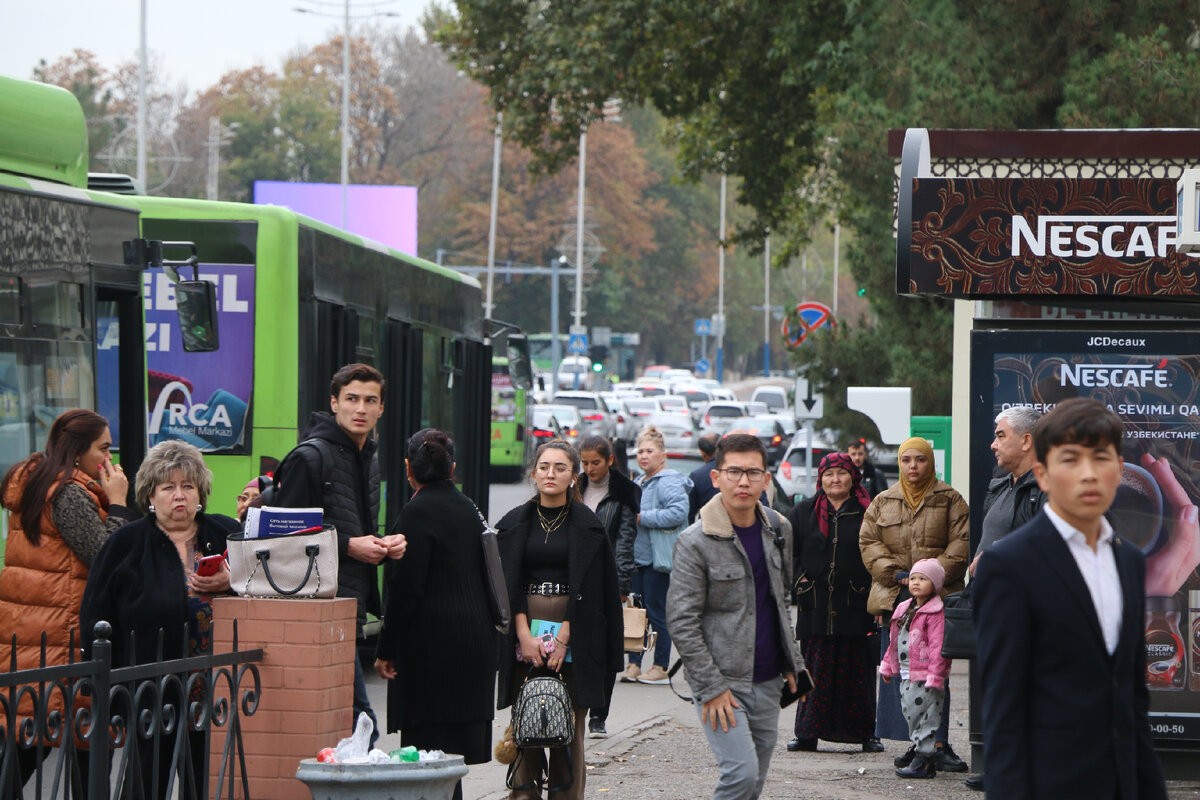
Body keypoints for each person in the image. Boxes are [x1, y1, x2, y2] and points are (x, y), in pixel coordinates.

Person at [975, 397, 1168, 799]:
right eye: (1070, 460)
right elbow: (1003, 713)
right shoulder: (1009, 568)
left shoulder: (1129, 563)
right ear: (1043, 474)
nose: (1088, 474)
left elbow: (1132, 702)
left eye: (1100, 459)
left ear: (1119, 470)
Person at [80, 439, 239, 799]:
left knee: (205, 785)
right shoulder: (125, 542)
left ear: (201, 493)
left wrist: (233, 579)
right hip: (149, 692)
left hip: (215, 693)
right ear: (150, 496)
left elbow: (273, 582)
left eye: (188, 486)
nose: (179, 496)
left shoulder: (225, 534)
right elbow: (95, 612)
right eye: (168, 487)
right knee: (145, 784)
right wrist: (100, 687)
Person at [0, 409, 138, 789]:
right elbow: (104, 558)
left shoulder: (43, 486)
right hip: (60, 641)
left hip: (36, 637)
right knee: (73, 750)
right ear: (78, 451)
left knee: (29, 746)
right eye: (103, 449)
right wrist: (120, 503)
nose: (109, 459)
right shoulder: (68, 493)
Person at [272, 363, 406, 745]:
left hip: (345, 605)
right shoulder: (310, 457)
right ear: (334, 403)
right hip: (312, 611)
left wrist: (383, 544)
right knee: (360, 727)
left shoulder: (367, 458)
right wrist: (351, 546)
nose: (360, 408)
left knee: (351, 729)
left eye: (370, 400)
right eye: (351, 399)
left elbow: (349, 523)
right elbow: (283, 539)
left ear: (381, 408)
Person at [666, 433, 804, 800]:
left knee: (754, 782)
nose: (743, 482)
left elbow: (781, 597)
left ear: (766, 478)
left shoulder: (779, 529)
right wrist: (711, 688)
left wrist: (793, 661)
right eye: (734, 472)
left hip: (768, 680)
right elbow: (681, 620)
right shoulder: (694, 541)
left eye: (753, 472)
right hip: (723, 681)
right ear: (716, 477)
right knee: (740, 776)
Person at [496, 439, 623, 800]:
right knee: (527, 724)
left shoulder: (589, 526)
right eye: (544, 467)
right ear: (533, 472)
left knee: (568, 728)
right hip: (527, 634)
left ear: (574, 476)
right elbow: (509, 584)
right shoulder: (514, 523)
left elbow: (598, 591)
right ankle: (523, 795)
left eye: (560, 468)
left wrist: (565, 636)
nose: (551, 474)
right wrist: (522, 634)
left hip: (577, 635)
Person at [374, 429, 496, 800]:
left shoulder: (415, 513)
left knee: (427, 758)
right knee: (448, 762)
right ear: (452, 468)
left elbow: (405, 590)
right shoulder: (469, 508)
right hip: (474, 644)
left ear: (408, 468)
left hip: (433, 650)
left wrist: (386, 647)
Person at [858, 435, 969, 773]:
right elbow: (869, 542)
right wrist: (898, 575)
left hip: (938, 600)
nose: (913, 467)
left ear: (930, 462)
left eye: (919, 460)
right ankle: (916, 742)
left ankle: (938, 743)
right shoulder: (883, 500)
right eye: (906, 460)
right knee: (903, 673)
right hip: (897, 596)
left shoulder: (950, 499)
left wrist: (930, 577)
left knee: (936, 672)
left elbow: (961, 544)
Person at [964, 406, 1044, 791]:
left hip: (1024, 611)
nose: (991, 444)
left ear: (1026, 440)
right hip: (992, 607)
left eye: (1000, 435)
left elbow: (1047, 550)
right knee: (997, 691)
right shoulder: (1001, 483)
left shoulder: (1044, 489)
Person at [786, 453, 881, 754]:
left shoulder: (869, 511)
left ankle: (865, 733)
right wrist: (799, 580)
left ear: (853, 477)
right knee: (811, 667)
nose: (835, 479)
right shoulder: (803, 512)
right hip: (815, 603)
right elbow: (789, 553)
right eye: (829, 474)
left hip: (856, 603)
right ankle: (806, 733)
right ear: (820, 478)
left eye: (842, 473)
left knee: (859, 671)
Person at [577, 435, 641, 738]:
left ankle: (599, 715)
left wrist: (622, 583)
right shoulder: (574, 486)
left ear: (610, 460)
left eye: (596, 463)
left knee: (602, 649)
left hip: (607, 579)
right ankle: (576, 706)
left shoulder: (625, 492)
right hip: (573, 577)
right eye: (585, 463)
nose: (590, 469)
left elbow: (625, 541)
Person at [626, 427, 691, 685]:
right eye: (640, 451)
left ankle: (661, 666)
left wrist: (643, 518)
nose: (644, 456)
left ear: (662, 455)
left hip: (659, 560)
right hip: (637, 558)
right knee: (635, 613)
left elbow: (678, 513)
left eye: (649, 451)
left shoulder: (670, 481)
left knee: (657, 613)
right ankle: (633, 663)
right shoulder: (639, 482)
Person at [880, 559, 950, 779]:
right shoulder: (904, 608)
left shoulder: (935, 612)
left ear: (935, 584)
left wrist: (936, 675)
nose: (916, 583)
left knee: (927, 715)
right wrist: (888, 666)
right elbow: (894, 640)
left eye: (923, 579)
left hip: (926, 674)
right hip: (906, 672)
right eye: (913, 578)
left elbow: (939, 646)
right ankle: (920, 753)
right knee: (911, 713)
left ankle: (925, 757)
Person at [688, 432, 721, 523]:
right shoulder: (736, 470)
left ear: (702, 452)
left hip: (707, 526)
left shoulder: (697, 475)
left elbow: (690, 512)